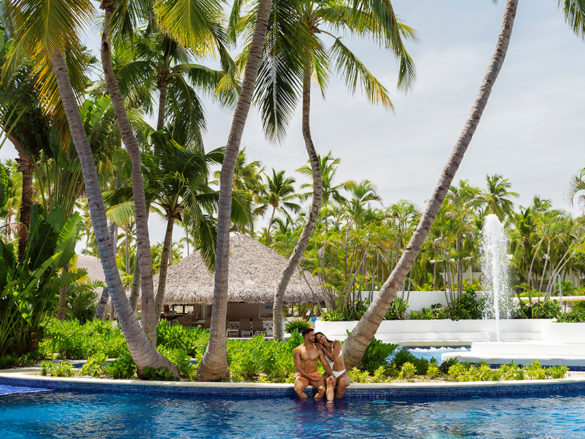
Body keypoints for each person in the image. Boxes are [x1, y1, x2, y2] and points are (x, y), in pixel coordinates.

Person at [293, 328, 332, 400]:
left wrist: (331, 375)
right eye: (312, 335)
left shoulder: (317, 348)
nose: (314, 337)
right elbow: (298, 368)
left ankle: (315, 405)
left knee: (322, 390)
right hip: (303, 376)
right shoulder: (298, 350)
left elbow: (325, 364)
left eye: (313, 335)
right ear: (306, 336)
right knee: (298, 390)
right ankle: (306, 404)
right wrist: (311, 378)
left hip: (315, 374)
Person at [314, 332, 350, 400]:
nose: (322, 339)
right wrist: (331, 375)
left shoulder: (336, 343)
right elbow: (325, 364)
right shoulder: (321, 351)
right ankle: (330, 406)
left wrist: (324, 349)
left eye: (322, 336)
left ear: (324, 335)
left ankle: (338, 404)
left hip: (342, 374)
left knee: (342, 383)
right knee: (329, 382)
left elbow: (333, 358)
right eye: (319, 339)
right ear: (318, 343)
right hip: (330, 373)